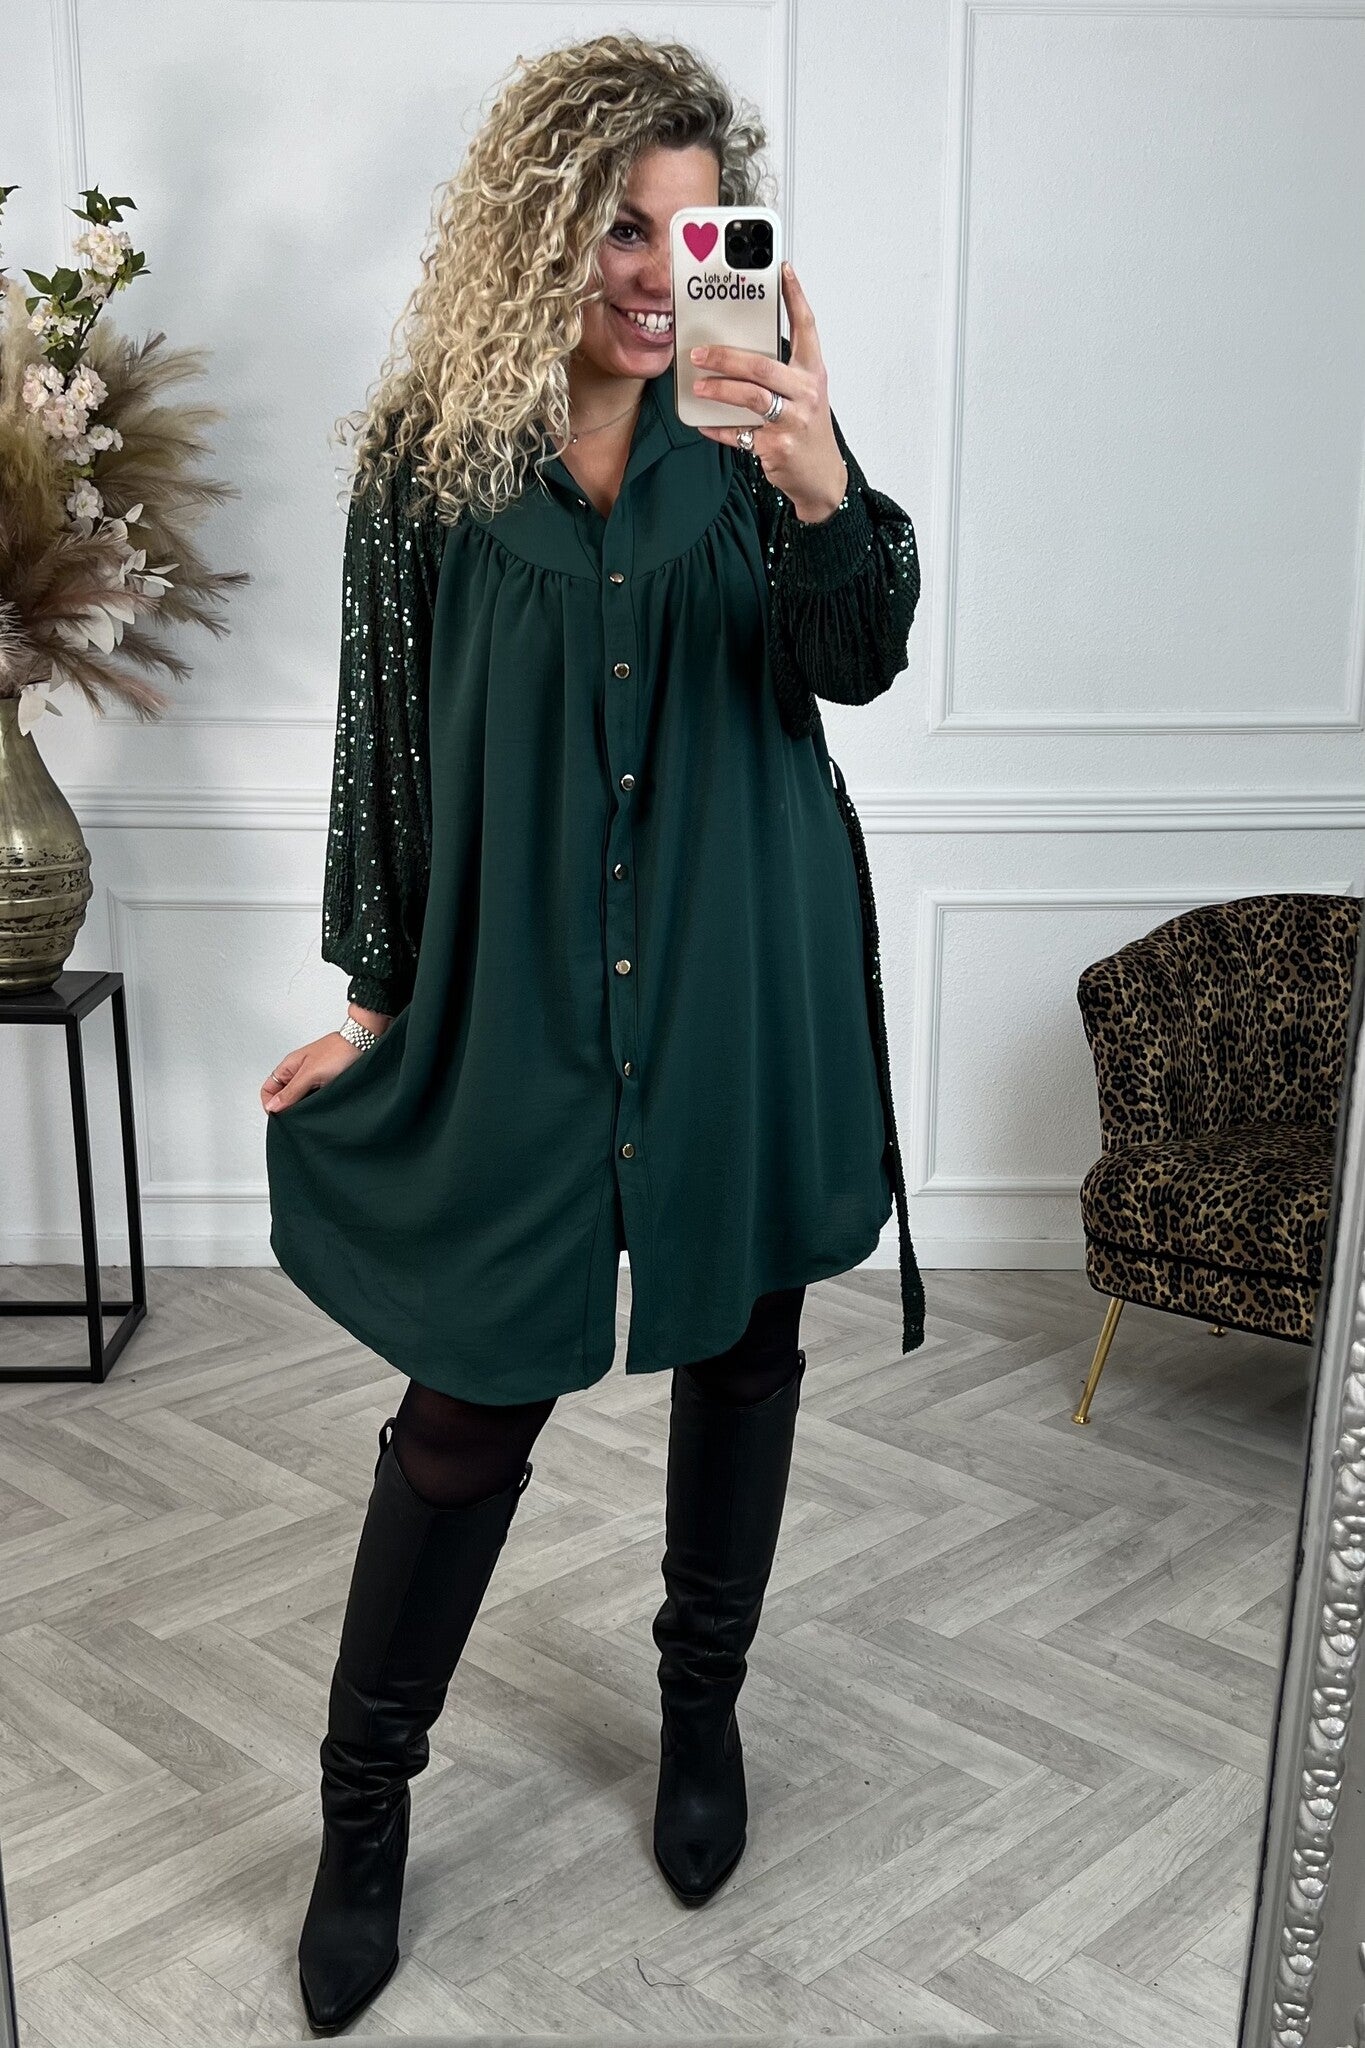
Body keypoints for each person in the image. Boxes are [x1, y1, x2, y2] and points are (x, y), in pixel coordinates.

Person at [261, 28, 924, 2036]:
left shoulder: (754, 436)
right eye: (619, 228)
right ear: (537, 229)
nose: (656, 273)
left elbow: (859, 657)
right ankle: (363, 1810)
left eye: (694, 232)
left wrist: (822, 484)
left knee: (743, 1346)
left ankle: (698, 1714)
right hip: (529, 994)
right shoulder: (430, 468)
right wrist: (374, 1011)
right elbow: (388, 756)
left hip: (740, 976)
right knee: (467, 1407)